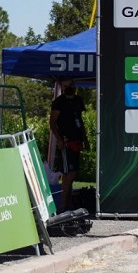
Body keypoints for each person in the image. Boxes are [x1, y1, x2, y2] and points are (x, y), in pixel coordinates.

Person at [49, 79, 88, 212]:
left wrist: (85, 139)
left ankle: (69, 205)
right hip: (66, 142)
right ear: (62, 87)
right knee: (67, 174)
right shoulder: (59, 102)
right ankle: (62, 206)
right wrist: (59, 139)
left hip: (77, 141)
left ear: (74, 86)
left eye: (70, 85)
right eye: (65, 85)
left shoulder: (78, 100)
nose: (68, 87)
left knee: (73, 173)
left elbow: (80, 120)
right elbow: (52, 122)